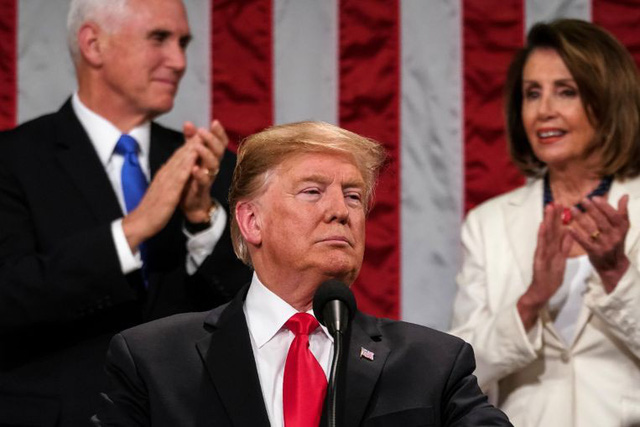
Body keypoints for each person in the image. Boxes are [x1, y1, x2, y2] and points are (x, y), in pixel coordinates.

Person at [93, 121, 511, 426]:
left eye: (353, 196)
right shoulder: (155, 361)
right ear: (252, 221)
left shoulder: (432, 364)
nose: (340, 211)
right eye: (313, 192)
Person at [0, 0, 250, 424]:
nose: (179, 61)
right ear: (93, 44)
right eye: (159, 38)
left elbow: (253, 311)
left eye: (183, 43)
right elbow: (9, 298)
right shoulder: (13, 160)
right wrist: (130, 231)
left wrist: (203, 222)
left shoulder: (214, 167)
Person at [450, 19, 640, 427]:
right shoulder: (487, 224)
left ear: (608, 100)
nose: (544, 110)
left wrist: (616, 275)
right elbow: (457, 370)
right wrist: (531, 301)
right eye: (532, 93)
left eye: (566, 91)